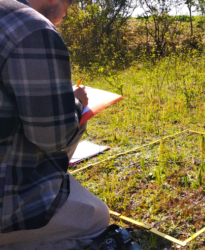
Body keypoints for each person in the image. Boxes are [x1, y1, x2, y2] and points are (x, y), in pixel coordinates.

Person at [0, 0, 111, 249]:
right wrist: (75, 102)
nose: (66, 12)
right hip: (8, 200)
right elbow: (53, 139)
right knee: (97, 218)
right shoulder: (32, 28)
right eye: (69, 3)